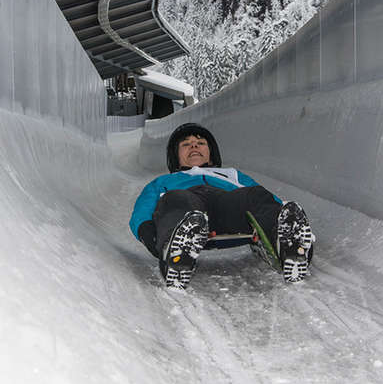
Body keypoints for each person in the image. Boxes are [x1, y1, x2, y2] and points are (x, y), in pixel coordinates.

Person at [129, 123, 314, 289]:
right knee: (176, 200)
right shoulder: (164, 181)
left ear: (210, 153)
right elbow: (143, 208)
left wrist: (284, 214)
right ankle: (176, 252)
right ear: (176, 157)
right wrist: (147, 233)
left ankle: (288, 243)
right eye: (186, 144)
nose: (194, 145)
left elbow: (262, 199)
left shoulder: (231, 174)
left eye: (200, 143)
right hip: (189, 213)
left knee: (254, 194)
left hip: (228, 206)